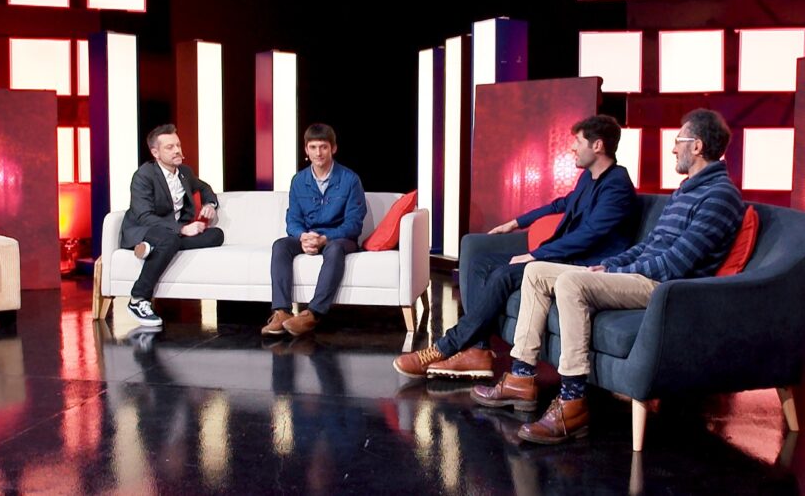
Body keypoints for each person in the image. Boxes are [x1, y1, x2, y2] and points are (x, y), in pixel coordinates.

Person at [471, 108, 745, 444]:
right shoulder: (686, 191)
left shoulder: (719, 196)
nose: (674, 148)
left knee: (571, 282)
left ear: (697, 146)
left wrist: (616, 270)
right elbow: (648, 246)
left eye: (678, 140)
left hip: (665, 287)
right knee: (536, 271)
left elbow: (674, 265)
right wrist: (611, 263)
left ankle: (572, 401)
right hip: (644, 274)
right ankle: (521, 376)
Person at [393, 115, 638, 379]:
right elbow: (561, 204)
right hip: (563, 256)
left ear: (597, 145)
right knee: (478, 262)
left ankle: (444, 347)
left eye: (578, 142)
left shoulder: (617, 185)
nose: (572, 148)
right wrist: (515, 223)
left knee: (503, 274)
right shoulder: (589, 178)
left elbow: (589, 236)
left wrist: (534, 255)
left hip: (584, 265)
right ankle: (478, 350)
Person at [261, 123, 367, 337]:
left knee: (334, 249)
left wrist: (325, 239)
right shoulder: (299, 180)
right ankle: (281, 311)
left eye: (323, 147)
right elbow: (292, 219)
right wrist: (303, 236)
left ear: (333, 148)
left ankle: (313, 314)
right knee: (280, 245)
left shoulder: (350, 179)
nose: (318, 153)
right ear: (306, 150)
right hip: (309, 235)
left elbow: (354, 224)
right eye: (313, 147)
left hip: (339, 238)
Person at [120, 124, 224, 327]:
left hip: (171, 234)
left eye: (178, 145)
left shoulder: (184, 172)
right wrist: (181, 230)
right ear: (155, 153)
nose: (177, 150)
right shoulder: (144, 175)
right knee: (168, 239)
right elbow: (144, 216)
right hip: (145, 229)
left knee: (216, 235)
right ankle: (138, 299)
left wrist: (210, 204)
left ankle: (152, 249)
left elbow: (205, 188)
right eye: (170, 147)